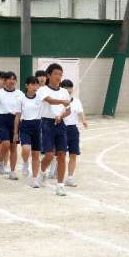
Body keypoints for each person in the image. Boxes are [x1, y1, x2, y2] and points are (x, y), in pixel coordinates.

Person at [37, 64, 72, 196]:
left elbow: (68, 110)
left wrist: (61, 116)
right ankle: (42, 171)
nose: (58, 76)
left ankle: (60, 185)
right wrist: (62, 102)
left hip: (60, 124)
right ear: (49, 75)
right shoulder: (43, 90)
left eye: (60, 74)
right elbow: (49, 100)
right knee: (49, 155)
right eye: (56, 73)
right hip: (46, 123)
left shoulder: (64, 92)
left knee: (62, 154)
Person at [0, 71, 23, 180]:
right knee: (5, 143)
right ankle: (0, 161)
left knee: (14, 146)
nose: (12, 81)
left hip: (15, 120)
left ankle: (12, 171)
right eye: (9, 79)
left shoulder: (20, 93)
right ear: (4, 81)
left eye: (14, 79)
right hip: (2, 119)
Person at [14, 76, 43, 188]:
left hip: (37, 126)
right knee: (26, 149)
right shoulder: (21, 99)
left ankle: (34, 178)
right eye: (32, 84)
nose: (35, 87)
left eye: (36, 84)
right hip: (25, 125)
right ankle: (25, 162)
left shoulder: (40, 98)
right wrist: (15, 133)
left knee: (36, 154)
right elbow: (17, 116)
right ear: (27, 85)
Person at [60, 79, 87, 187]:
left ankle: (70, 177)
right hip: (61, 128)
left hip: (73, 130)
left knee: (73, 154)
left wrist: (83, 120)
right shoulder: (58, 102)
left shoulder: (77, 101)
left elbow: (81, 112)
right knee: (61, 154)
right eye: (65, 88)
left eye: (69, 87)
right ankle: (56, 171)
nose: (68, 90)